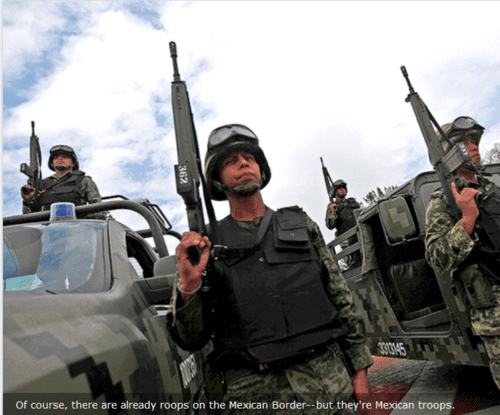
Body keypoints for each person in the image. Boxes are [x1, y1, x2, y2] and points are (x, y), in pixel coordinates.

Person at [167, 124, 373, 414]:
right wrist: (189, 285)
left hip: (329, 385)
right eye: (231, 161)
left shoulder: (302, 225)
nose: (243, 164)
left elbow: (340, 299)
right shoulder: (203, 246)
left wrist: (360, 370)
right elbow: (190, 339)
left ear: (261, 170)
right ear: (217, 181)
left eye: (249, 158)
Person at [425, 116, 500, 389]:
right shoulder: (442, 202)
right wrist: (467, 220)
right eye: (464, 142)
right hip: (495, 312)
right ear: (449, 154)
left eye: (474, 140)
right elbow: (437, 258)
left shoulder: (493, 189)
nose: (474, 146)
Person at [21, 145, 106, 219]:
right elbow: (29, 216)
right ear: (52, 163)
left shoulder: (83, 181)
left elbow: (99, 210)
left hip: (76, 228)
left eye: (65, 157)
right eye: (56, 157)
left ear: (73, 162)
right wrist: (27, 201)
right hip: (46, 230)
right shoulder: (41, 185)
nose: (60, 158)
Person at [325, 180, 361, 268]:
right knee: (355, 263)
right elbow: (329, 225)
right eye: (340, 188)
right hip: (346, 239)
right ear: (335, 191)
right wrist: (333, 213)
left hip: (360, 233)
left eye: (343, 188)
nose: (342, 190)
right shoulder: (332, 206)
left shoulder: (353, 203)